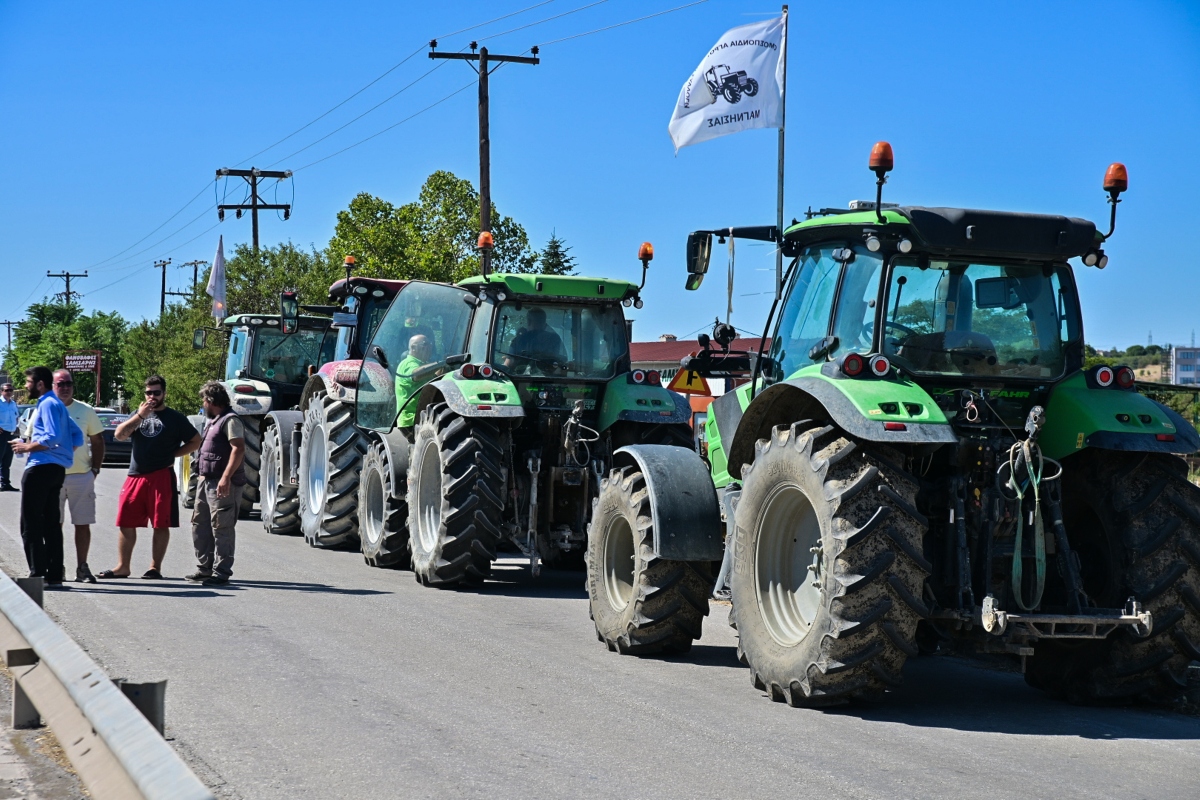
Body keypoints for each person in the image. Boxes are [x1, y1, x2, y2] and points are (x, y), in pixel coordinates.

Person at [100, 375, 200, 580]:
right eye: (148, 392)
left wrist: (174, 455)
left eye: (156, 392)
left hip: (161, 475)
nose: (152, 396)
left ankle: (155, 567)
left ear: (164, 393)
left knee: (160, 523)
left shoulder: (175, 418)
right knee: (125, 521)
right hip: (135, 476)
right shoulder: (138, 414)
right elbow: (119, 435)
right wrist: (140, 416)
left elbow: (196, 441)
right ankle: (123, 567)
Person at [9, 367, 82, 587]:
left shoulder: (48, 404)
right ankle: (53, 575)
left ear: (40, 384)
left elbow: (51, 437)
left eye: (29, 382)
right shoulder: (57, 404)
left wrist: (26, 447)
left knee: (30, 524)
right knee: (51, 523)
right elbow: (77, 435)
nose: (26, 386)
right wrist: (63, 453)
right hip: (55, 469)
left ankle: (37, 575)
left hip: (40, 468)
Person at [186, 381, 246, 586]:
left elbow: (238, 448)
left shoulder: (230, 420)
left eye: (203, 400)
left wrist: (226, 478)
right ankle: (204, 569)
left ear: (211, 401)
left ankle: (221, 572)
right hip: (206, 482)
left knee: (222, 527)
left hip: (222, 483)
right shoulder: (213, 420)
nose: (202, 404)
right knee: (199, 525)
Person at [52, 369, 105, 584]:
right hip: (52, 478)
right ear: (52, 385)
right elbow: (31, 440)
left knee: (82, 524)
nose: (65, 388)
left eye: (68, 384)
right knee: (54, 525)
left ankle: (82, 568)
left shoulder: (86, 410)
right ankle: (56, 567)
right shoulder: (44, 409)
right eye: (60, 384)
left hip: (81, 477)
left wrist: (95, 470)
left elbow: (98, 440)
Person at [394, 334, 433, 429]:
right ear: (413, 347)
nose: (430, 347)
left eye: (430, 344)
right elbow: (416, 375)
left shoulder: (423, 364)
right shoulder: (408, 364)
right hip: (411, 421)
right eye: (425, 344)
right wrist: (440, 364)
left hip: (422, 418)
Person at [0, 382, 17, 491]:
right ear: (1, 391)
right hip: (1, 434)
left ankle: (5, 484)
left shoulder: (13, 403)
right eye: (7, 390)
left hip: (11, 434)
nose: (9, 392)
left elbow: (16, 417)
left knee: (7, 461)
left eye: (11, 390)